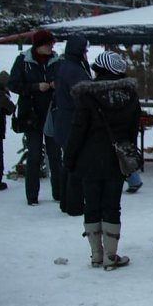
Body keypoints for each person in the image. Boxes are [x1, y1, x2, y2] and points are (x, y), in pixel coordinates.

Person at [64, 52, 140, 270]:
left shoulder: (88, 95)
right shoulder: (130, 96)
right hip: (117, 159)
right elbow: (133, 131)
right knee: (112, 206)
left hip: (89, 158)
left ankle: (96, 254)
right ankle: (110, 255)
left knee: (92, 204)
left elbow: (78, 129)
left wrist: (69, 158)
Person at [8, 29, 63, 206]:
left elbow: (65, 80)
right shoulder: (23, 61)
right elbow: (13, 84)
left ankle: (59, 193)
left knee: (55, 155)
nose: (52, 47)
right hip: (32, 115)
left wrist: (57, 84)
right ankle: (32, 196)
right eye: (49, 44)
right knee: (34, 156)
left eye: (52, 44)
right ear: (39, 45)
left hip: (52, 113)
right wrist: (35, 87)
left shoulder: (57, 60)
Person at [52, 34, 92, 215]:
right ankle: (75, 205)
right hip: (73, 122)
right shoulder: (76, 70)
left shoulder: (63, 66)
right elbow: (84, 98)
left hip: (62, 120)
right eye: (85, 50)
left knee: (68, 162)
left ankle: (65, 201)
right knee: (77, 164)